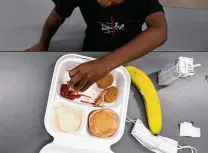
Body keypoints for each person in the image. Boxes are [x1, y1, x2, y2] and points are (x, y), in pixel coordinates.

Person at [27, 0, 167, 91]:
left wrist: (105, 64)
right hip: (92, 47)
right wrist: (42, 44)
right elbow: (56, 16)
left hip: (132, 50)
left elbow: (159, 30)